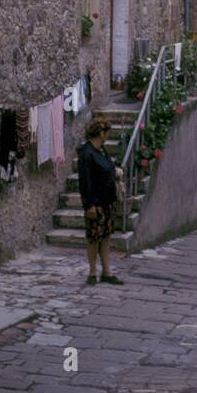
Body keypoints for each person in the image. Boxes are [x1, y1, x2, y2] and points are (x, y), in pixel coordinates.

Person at [78, 119, 124, 286]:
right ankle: (92, 273)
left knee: (105, 237)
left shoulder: (101, 151)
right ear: (101, 134)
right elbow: (85, 182)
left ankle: (107, 272)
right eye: (106, 133)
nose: (107, 136)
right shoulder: (87, 153)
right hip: (95, 203)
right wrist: (89, 205)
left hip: (107, 201)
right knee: (93, 238)